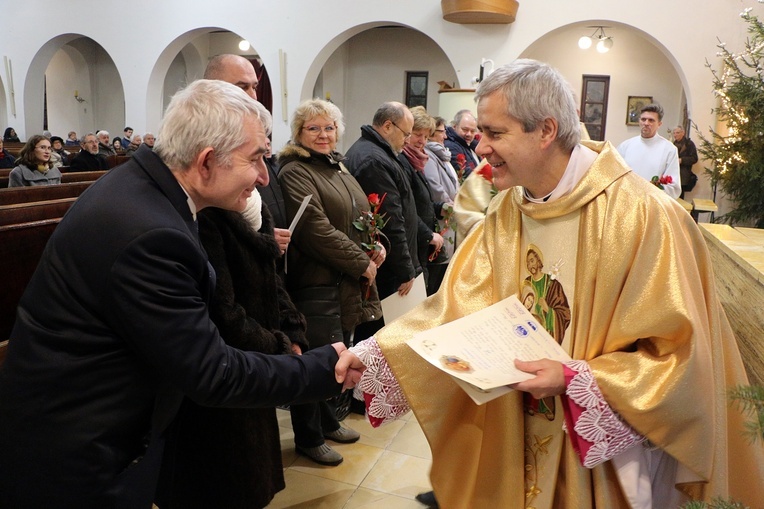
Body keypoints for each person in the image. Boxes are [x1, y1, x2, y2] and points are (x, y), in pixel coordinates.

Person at [349, 59, 764, 508]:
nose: (480, 148)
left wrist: (578, 379)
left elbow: (683, 356)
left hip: (604, 463)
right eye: (482, 132)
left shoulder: (645, 217)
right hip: (515, 431)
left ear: (546, 131)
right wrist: (378, 354)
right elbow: (457, 306)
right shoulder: (510, 209)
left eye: (495, 133)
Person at [0, 79, 364, 509]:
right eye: (256, 159)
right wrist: (323, 369)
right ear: (207, 160)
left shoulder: (149, 192)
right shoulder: (149, 233)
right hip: (80, 453)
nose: (265, 177)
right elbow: (212, 372)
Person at [278, 98, 384, 465]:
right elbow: (314, 229)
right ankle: (308, 435)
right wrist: (360, 262)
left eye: (329, 128)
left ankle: (326, 421)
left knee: (336, 351)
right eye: (314, 128)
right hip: (316, 279)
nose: (323, 135)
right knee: (315, 356)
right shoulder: (295, 170)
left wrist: (376, 247)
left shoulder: (337, 166)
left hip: (343, 279)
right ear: (299, 133)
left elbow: (362, 214)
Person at [203, 53, 292, 258]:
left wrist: (266, 233)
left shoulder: (249, 136)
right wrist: (260, 240)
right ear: (210, 89)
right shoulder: (207, 145)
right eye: (242, 87)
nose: (253, 97)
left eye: (254, 87)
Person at [400, 106, 444, 295]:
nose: (422, 141)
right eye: (418, 134)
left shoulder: (416, 160)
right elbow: (406, 208)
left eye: (426, 137)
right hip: (414, 244)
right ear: (407, 133)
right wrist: (428, 234)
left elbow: (421, 201)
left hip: (420, 245)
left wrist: (440, 207)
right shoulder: (403, 161)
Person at [421, 112, 458, 295]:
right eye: (441, 132)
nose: (445, 136)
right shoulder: (429, 154)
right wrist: (451, 204)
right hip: (442, 217)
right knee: (435, 281)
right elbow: (435, 187)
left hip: (448, 217)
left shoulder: (441, 155)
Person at [617, 103, 681, 199]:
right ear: (639, 121)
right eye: (643, 119)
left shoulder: (669, 150)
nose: (646, 123)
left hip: (652, 204)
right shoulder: (625, 146)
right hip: (626, 200)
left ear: (659, 124)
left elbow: (673, 187)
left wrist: (649, 191)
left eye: (651, 120)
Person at [444, 109, 480, 179]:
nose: (469, 134)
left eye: (472, 131)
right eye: (465, 129)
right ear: (454, 127)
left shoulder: (471, 145)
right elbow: (466, 175)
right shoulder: (451, 147)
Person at [673, 125, 699, 199]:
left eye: (677, 133)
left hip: (683, 175)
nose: (675, 135)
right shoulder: (673, 144)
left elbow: (694, 158)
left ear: (683, 133)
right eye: (674, 133)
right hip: (674, 174)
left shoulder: (689, 144)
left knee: (680, 198)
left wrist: (682, 160)